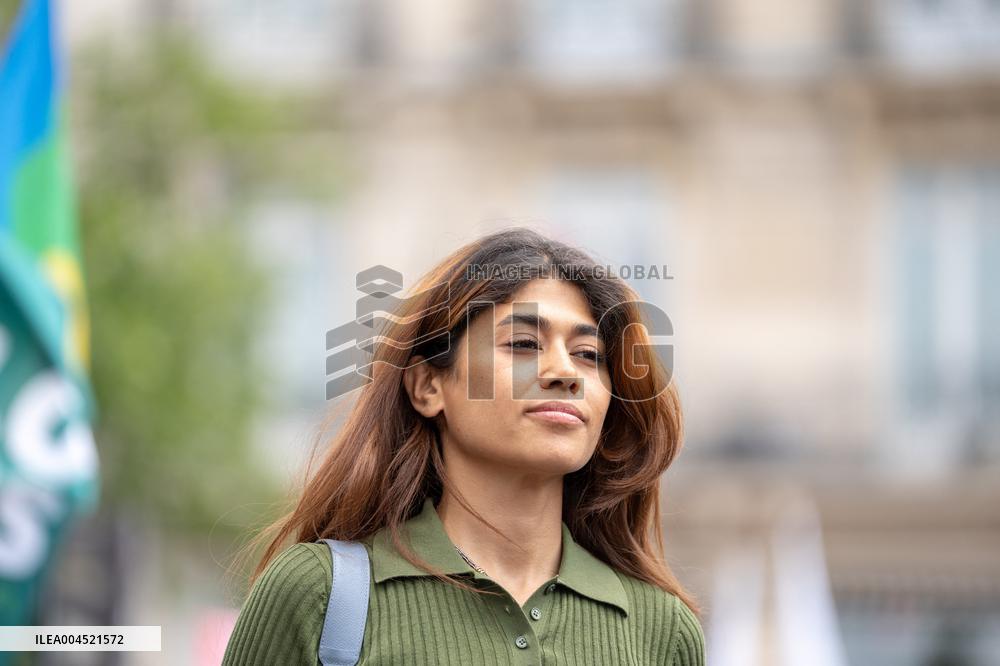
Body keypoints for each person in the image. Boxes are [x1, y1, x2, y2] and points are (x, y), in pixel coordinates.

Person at [222, 227, 705, 665]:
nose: (565, 373)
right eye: (522, 344)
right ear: (428, 386)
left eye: (588, 355)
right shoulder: (319, 595)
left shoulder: (660, 630)